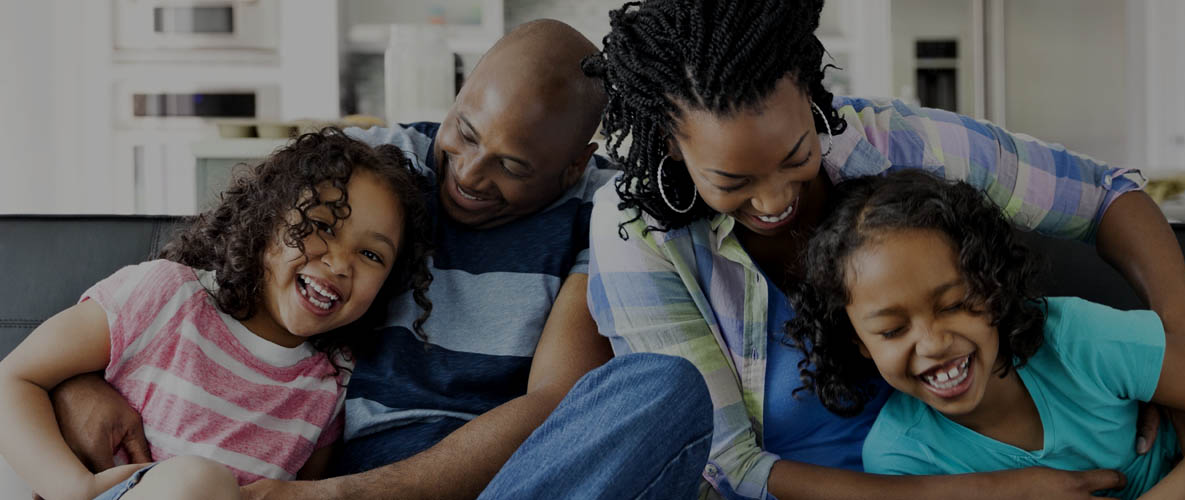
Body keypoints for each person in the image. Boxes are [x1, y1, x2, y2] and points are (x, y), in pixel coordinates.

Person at [46, 19, 711, 499]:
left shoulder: (601, 213)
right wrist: (79, 386)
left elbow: (552, 404)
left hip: (507, 475)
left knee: (668, 390)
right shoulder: (379, 164)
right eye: (465, 131)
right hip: (355, 457)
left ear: (571, 169)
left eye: (511, 166)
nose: (469, 175)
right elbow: (213, 283)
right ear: (459, 94)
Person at [583, 0, 1185, 498]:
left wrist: (1183, 345)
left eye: (795, 156)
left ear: (808, 93)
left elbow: (1107, 195)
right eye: (732, 181)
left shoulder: (899, 143)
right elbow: (728, 464)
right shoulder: (640, 233)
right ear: (671, 147)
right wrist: (989, 494)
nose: (776, 199)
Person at [785, 170, 1185, 500]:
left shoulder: (1078, 339)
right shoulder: (902, 460)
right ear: (859, 344)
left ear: (992, 286)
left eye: (955, 303)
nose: (933, 343)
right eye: (893, 329)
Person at [0, 129, 435, 500]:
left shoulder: (331, 381)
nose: (341, 264)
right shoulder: (167, 293)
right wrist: (74, 487)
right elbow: (13, 379)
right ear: (267, 218)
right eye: (321, 225)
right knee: (199, 481)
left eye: (370, 254)